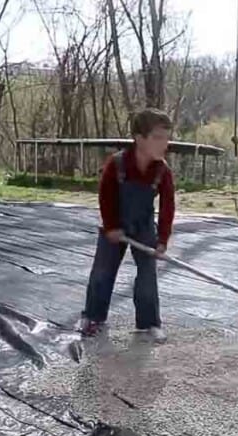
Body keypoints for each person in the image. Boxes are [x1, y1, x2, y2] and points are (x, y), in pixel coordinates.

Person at [79, 108, 176, 342]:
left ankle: (149, 323)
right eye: (157, 138)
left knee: (147, 275)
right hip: (115, 227)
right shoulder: (117, 164)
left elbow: (167, 208)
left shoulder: (162, 171)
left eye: (166, 138)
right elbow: (106, 196)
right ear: (139, 138)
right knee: (102, 273)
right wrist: (111, 226)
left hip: (143, 226)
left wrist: (162, 240)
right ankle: (93, 318)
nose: (164, 144)